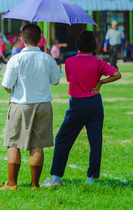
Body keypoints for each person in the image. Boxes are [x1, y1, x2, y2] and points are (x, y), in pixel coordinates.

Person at [42, 31, 122, 187]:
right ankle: (91, 179)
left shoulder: (70, 61)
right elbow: (117, 74)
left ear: (77, 45)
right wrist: (101, 83)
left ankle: (56, 178)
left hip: (77, 105)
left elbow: (69, 79)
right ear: (93, 46)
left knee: (63, 139)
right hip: (95, 105)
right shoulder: (98, 62)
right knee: (95, 142)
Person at [0, 24, 61, 190]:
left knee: (13, 143)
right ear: (40, 39)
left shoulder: (16, 59)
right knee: (37, 144)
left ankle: (12, 183)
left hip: (20, 104)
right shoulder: (48, 58)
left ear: (21, 39)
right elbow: (56, 81)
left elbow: (7, 85)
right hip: (43, 104)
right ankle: (35, 184)